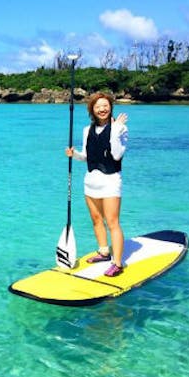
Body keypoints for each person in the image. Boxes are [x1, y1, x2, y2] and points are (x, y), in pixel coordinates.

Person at [65, 92, 128, 277]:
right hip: (91, 181)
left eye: (105, 105)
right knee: (96, 219)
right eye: (98, 106)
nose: (102, 109)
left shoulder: (121, 129)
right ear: (92, 109)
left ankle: (117, 263)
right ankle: (103, 251)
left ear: (110, 107)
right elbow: (87, 156)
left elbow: (116, 155)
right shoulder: (87, 130)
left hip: (110, 181)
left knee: (112, 222)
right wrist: (74, 154)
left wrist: (116, 130)